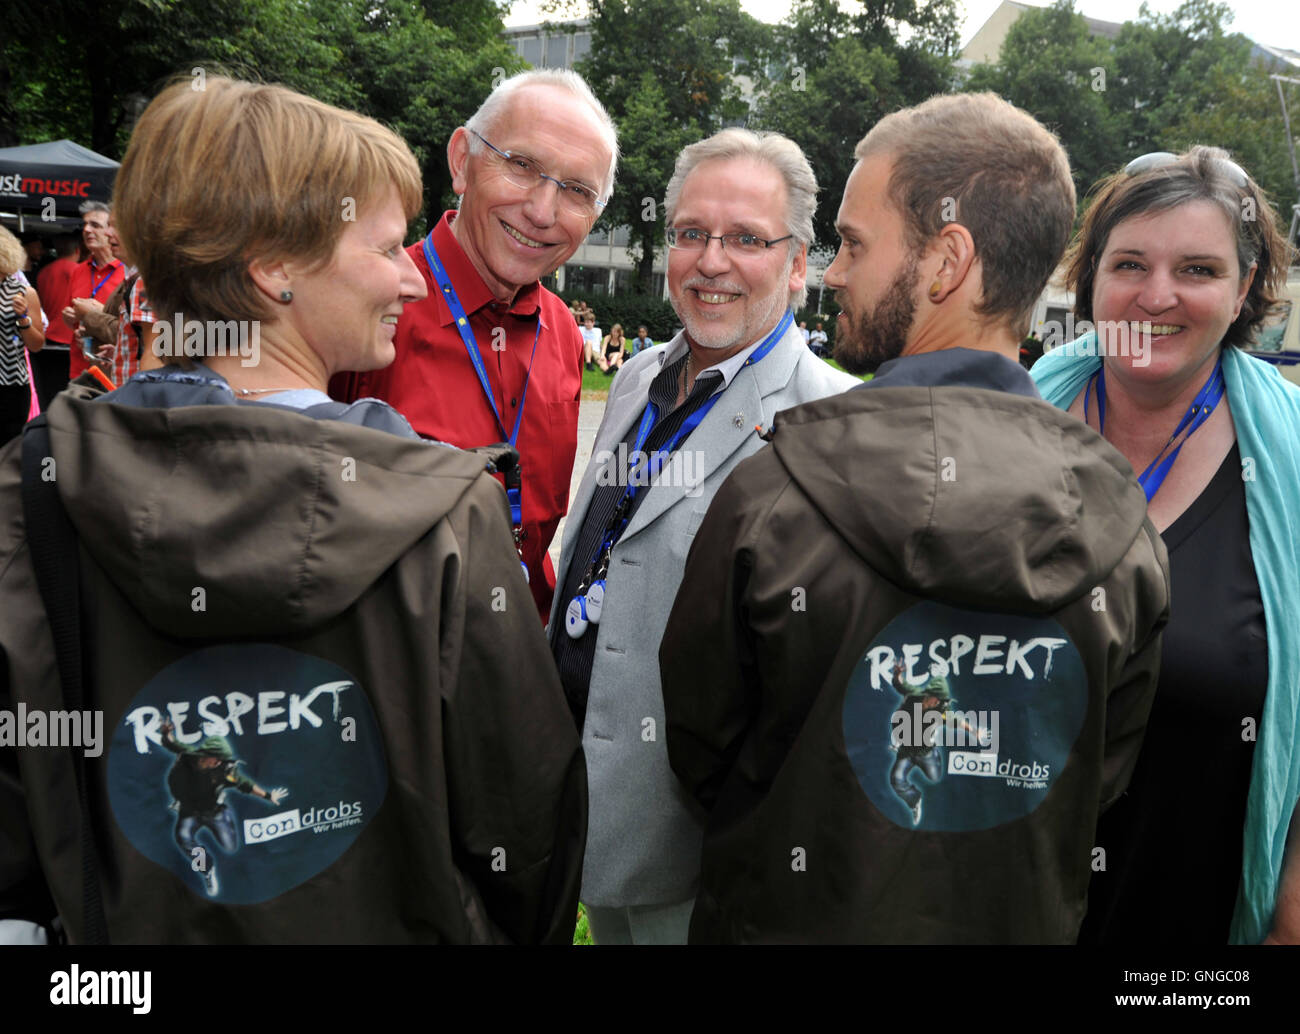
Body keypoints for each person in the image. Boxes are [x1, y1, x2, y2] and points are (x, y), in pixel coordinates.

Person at [0, 76, 585, 945]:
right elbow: (525, 824)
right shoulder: (444, 506)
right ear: (275, 268)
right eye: (389, 251)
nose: (412, 283)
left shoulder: (33, 484)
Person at [659, 93, 1171, 944]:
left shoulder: (774, 490)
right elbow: (1098, 774)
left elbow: (705, 748)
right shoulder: (1124, 524)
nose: (831, 273)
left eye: (854, 243)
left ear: (946, 261)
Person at [550, 127, 856, 945]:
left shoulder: (831, 420)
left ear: (798, 265)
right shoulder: (643, 375)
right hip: (588, 791)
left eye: (746, 239)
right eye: (690, 233)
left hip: (703, 842)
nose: (710, 261)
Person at [1030, 146, 1300, 946]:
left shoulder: (1291, 463)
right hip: (989, 898)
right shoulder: (1006, 424)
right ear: (1091, 277)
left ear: (1245, 287)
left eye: (1198, 269)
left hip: (1188, 928)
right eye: (1130, 264)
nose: (1156, 296)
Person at [331, 68, 619, 620]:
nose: (542, 211)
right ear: (462, 160)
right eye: (522, 165)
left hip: (520, 666)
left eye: (578, 191)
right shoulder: (366, 302)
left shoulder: (560, 331)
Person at [62, 201, 125, 382]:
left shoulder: (128, 272)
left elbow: (131, 328)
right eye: (85, 224)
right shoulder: (78, 270)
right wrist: (70, 319)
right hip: (79, 370)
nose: (87, 230)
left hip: (111, 373)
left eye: (95, 225)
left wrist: (97, 314)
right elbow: (72, 320)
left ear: (110, 231)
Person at [0, 227, 46, 444]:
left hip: (10, 383)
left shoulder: (22, 292)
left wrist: (23, 320)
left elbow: (37, 345)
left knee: (9, 448)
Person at [33, 234, 80, 410]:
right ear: (77, 250)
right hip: (70, 340)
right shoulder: (78, 270)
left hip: (47, 339)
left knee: (49, 391)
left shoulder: (43, 272)